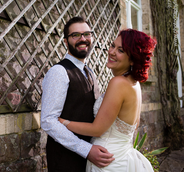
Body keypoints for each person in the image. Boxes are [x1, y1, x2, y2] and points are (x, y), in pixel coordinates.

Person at [59, 28, 157, 171]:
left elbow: (97, 129)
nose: (111, 52)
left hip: (106, 160)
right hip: (122, 156)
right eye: (113, 46)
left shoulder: (118, 83)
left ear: (132, 59)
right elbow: (134, 126)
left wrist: (63, 122)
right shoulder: (134, 84)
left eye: (121, 50)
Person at [41, 16, 114, 172]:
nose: (83, 39)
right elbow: (48, 121)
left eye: (87, 34)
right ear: (66, 42)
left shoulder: (90, 72)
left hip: (90, 158)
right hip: (66, 160)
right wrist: (86, 149)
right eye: (76, 35)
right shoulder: (59, 72)